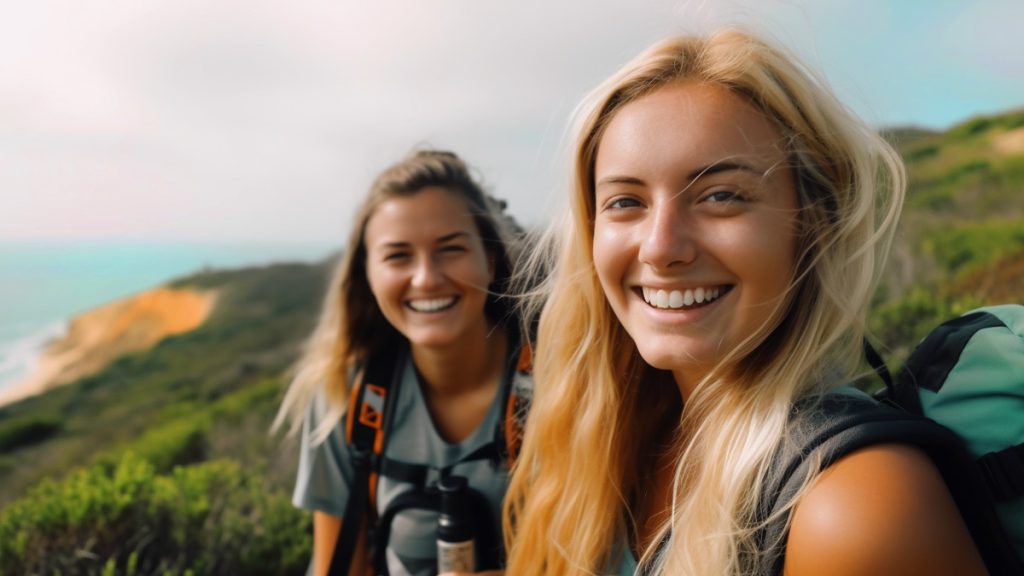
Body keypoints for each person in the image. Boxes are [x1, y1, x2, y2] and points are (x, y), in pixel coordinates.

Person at [503, 29, 989, 575]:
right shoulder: (640, 436)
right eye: (625, 201)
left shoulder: (851, 506)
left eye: (721, 196)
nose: (661, 247)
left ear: (813, 223)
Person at [275, 150, 527, 576]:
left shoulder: (563, 381)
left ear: (491, 259)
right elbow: (338, 566)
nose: (426, 277)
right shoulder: (347, 394)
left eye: (450, 249)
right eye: (398, 256)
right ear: (367, 275)